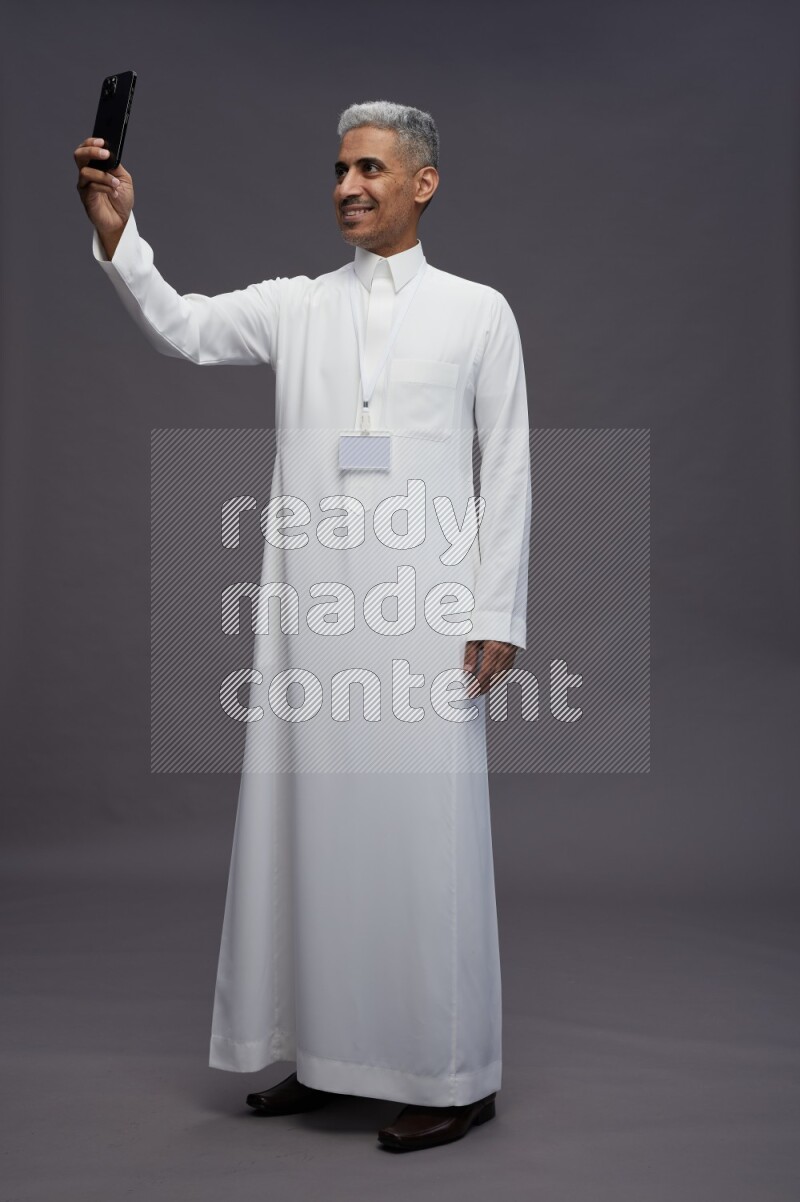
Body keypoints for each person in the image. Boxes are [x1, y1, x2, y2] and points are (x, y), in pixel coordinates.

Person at [74, 99, 531, 1153]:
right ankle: (327, 1055)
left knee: (424, 841)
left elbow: (505, 465)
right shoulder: (297, 306)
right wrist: (118, 233)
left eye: (369, 169)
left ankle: (453, 1072)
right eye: (336, 170)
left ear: (421, 183)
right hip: (311, 615)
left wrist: (495, 609)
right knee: (313, 832)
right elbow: (183, 327)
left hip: (422, 614)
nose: (346, 188)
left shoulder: (477, 312)